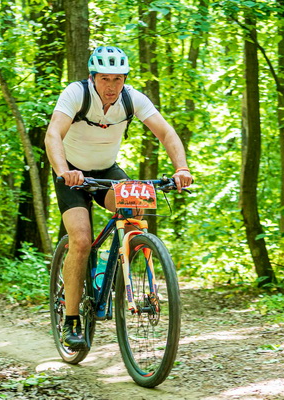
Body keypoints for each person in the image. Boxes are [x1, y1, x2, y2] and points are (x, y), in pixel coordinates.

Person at [44, 46, 193, 350]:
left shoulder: (131, 98)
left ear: (125, 79)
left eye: (117, 79)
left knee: (134, 210)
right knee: (81, 240)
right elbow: (53, 134)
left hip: (106, 170)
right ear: (92, 77)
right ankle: (71, 320)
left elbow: (166, 133)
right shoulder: (76, 93)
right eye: (105, 79)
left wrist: (182, 168)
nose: (111, 86)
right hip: (72, 173)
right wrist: (63, 171)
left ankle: (111, 268)